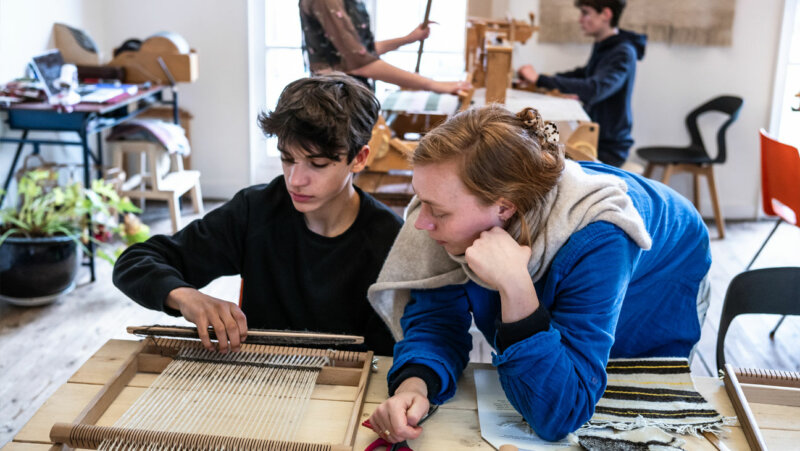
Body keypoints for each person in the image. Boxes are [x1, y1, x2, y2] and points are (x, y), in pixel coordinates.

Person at [365, 105, 711, 442]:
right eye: (420, 200)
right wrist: (416, 384)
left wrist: (515, 287)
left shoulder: (602, 238)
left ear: (504, 207)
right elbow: (436, 320)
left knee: (627, 409)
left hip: (663, 273)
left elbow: (559, 416)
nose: (421, 222)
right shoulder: (442, 206)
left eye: (437, 211)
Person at [113, 74, 403, 356]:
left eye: (317, 164)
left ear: (359, 159)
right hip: (260, 378)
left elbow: (396, 350)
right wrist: (185, 296)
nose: (295, 179)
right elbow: (134, 262)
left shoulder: (389, 240)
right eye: (287, 159)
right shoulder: (256, 210)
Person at [517, 0, 646, 167]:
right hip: (598, 136)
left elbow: (595, 88)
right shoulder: (606, 46)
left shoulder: (622, 51)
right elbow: (583, 74)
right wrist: (540, 79)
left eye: (586, 13)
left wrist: (540, 79)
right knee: (541, 143)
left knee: (544, 160)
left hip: (607, 147)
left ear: (606, 14)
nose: (580, 19)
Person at [299, 0, 471, 94]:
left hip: (348, 92)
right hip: (336, 97)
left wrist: (408, 39)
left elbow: (359, 51)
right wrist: (434, 85)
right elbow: (360, 63)